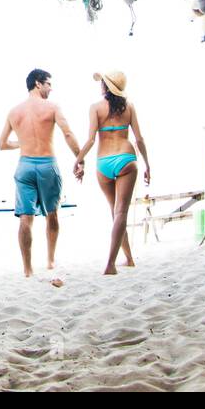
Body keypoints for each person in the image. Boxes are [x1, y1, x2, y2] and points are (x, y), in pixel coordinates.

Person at [0, 69, 82, 277]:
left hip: (24, 166)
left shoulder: (14, 111)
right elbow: (68, 133)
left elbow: (2, 144)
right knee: (52, 214)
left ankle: (27, 269)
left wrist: (22, 143)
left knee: (25, 218)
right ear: (38, 83)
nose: (51, 89)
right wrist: (80, 159)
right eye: (49, 84)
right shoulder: (52, 107)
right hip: (47, 164)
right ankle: (51, 260)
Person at [72, 70, 151, 274]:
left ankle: (117, 262)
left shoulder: (95, 108)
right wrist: (147, 164)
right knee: (121, 212)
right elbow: (139, 139)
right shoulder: (129, 108)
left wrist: (78, 160)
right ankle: (120, 261)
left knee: (114, 211)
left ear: (105, 86)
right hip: (126, 158)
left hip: (103, 162)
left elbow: (90, 140)